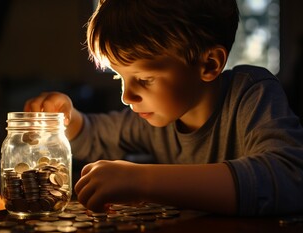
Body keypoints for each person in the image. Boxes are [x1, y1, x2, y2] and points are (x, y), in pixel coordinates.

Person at [24, 0, 303, 216]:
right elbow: (96, 135)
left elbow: (289, 177)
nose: (127, 96)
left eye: (144, 79)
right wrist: (68, 118)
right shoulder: (157, 117)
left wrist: (143, 180)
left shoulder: (251, 93)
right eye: (118, 77)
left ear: (209, 64)